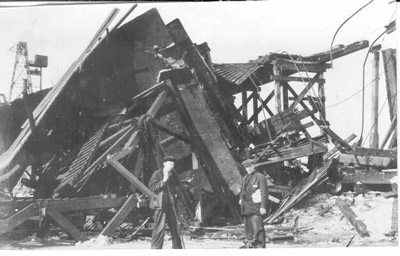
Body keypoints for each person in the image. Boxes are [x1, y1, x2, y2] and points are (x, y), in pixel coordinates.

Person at [148, 156, 183, 249]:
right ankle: (156, 248)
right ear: (164, 164)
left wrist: (176, 195)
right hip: (160, 204)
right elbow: (152, 187)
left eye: (172, 164)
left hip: (171, 204)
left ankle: (177, 248)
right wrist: (163, 180)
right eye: (169, 164)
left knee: (175, 227)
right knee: (159, 228)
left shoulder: (173, 175)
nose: (170, 166)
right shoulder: (157, 174)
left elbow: (178, 186)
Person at [239, 160, 269, 248]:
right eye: (246, 167)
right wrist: (241, 199)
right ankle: (249, 243)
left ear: (254, 166)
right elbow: (242, 191)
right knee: (248, 227)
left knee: (258, 226)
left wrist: (263, 206)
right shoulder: (245, 178)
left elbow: (264, 193)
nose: (248, 169)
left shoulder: (260, 177)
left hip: (256, 206)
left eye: (250, 166)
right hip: (246, 206)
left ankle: (259, 244)